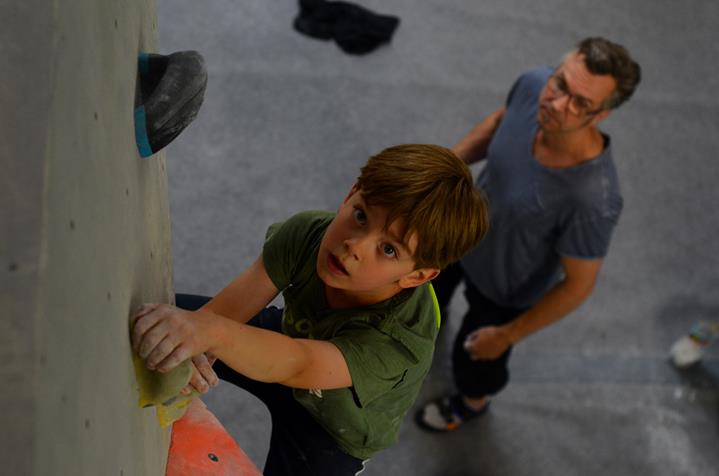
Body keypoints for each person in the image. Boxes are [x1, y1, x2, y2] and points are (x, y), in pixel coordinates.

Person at [131, 144, 489, 475]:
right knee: (165, 320)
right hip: (290, 337)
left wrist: (209, 336)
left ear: (418, 276)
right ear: (352, 192)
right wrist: (195, 341)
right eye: (361, 215)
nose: (354, 246)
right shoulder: (307, 233)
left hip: (334, 428)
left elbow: (299, 364)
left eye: (389, 250)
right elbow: (221, 316)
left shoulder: (397, 342)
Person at [415, 37, 641, 432]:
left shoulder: (593, 198)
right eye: (561, 84)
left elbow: (577, 287)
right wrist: (445, 165)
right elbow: (502, 122)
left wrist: (507, 334)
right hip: (462, 236)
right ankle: (427, 328)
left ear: (601, 115)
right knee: (426, 297)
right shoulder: (534, 84)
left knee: (475, 361)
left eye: (580, 104)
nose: (556, 104)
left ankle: (471, 404)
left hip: (503, 293)